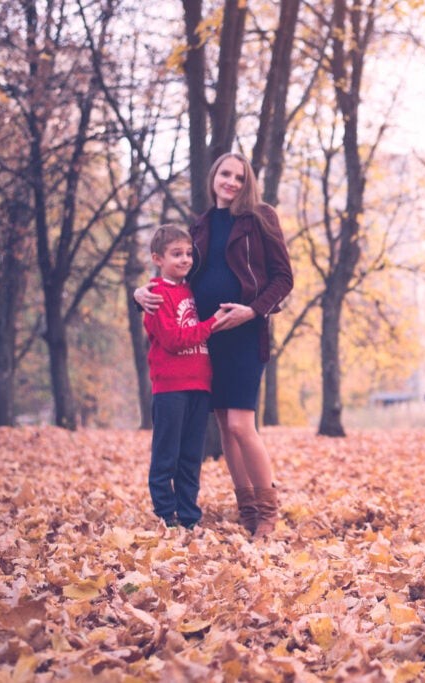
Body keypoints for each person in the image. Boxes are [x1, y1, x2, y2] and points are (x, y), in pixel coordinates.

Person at [136, 152, 293, 537]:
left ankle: (268, 515)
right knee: (224, 427)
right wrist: (141, 291)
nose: (232, 183)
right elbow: (178, 273)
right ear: (213, 177)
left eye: (240, 177)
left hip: (242, 334)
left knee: (241, 424)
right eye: (225, 174)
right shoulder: (201, 225)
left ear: (248, 182)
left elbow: (283, 278)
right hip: (205, 340)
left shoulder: (260, 217)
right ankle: (248, 511)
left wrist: (253, 311)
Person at [144, 224, 223, 530]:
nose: (185, 259)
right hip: (170, 388)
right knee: (167, 456)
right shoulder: (155, 296)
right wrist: (211, 324)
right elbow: (174, 339)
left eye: (189, 253)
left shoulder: (192, 290)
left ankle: (189, 516)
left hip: (199, 385)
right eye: (176, 254)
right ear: (157, 258)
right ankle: (166, 515)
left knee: (192, 457)